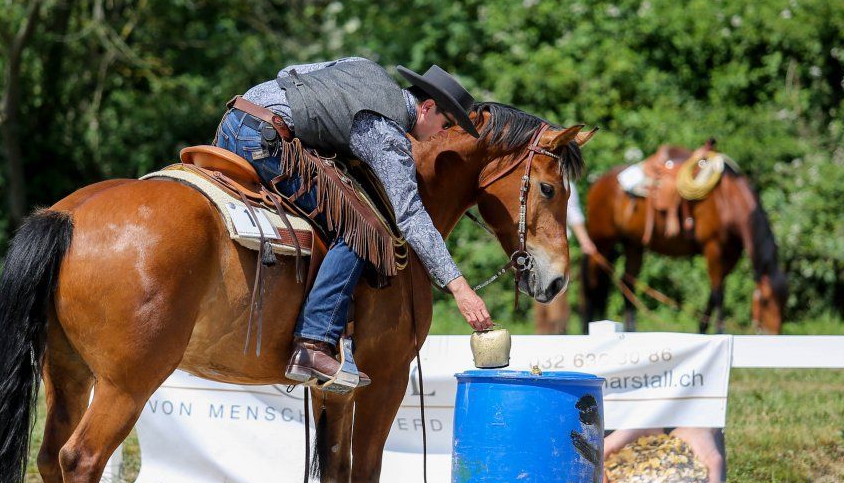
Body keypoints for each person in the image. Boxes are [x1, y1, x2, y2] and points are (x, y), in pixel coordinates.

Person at [214, 58, 493, 391]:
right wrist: (459, 287)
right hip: (264, 141)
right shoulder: (389, 135)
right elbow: (409, 214)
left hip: (232, 120)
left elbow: (286, 73)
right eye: (445, 124)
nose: (441, 135)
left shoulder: (363, 65)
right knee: (362, 229)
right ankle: (313, 343)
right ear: (427, 107)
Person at [533, 181, 595, 334]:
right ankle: (555, 336)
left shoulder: (534, 180)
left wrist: (585, 242)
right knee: (553, 296)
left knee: (546, 296)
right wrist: (585, 241)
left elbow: (573, 215)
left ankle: (552, 335)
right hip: (550, 248)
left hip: (538, 247)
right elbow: (574, 215)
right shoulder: (563, 182)